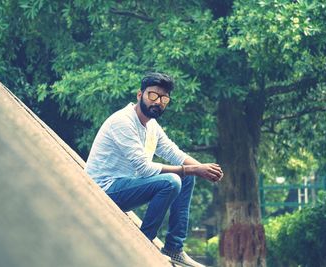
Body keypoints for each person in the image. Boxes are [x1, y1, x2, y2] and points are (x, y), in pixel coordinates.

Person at [85, 72, 223, 267]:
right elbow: (143, 168)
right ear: (139, 95)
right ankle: (142, 245)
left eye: (164, 98)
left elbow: (173, 151)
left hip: (124, 187)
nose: (158, 102)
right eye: (153, 96)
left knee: (186, 176)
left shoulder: (152, 126)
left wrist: (204, 169)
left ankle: (174, 249)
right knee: (173, 180)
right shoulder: (123, 122)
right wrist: (193, 170)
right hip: (103, 190)